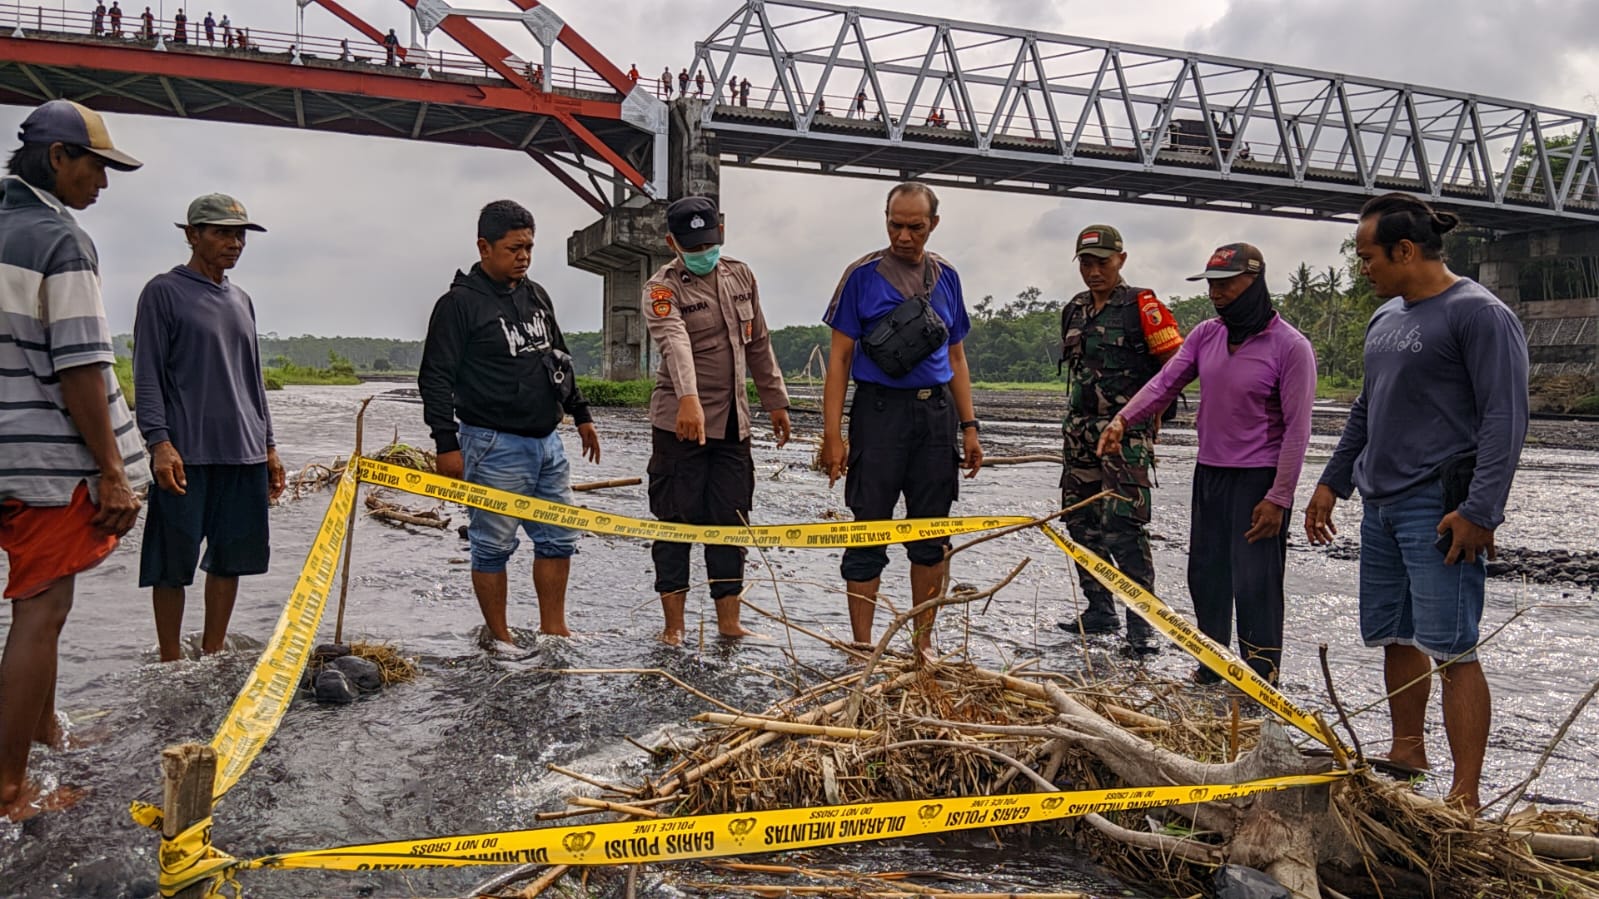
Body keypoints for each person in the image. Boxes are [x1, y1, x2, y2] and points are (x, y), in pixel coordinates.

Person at [1305, 193, 1528, 813]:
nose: (1363, 268)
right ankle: (1407, 753)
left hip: (1440, 509)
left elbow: (1505, 418)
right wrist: (1332, 481)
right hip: (1381, 504)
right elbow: (1365, 411)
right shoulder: (1387, 318)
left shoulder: (1479, 315)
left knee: (1454, 647)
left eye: (1368, 256)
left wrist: (1481, 510)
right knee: (1395, 635)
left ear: (1405, 250)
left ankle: (1464, 797)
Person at [0, 100, 148, 821]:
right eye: (96, 165)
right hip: (43, 462)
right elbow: (82, 366)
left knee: (40, 606)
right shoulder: (61, 239)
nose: (104, 182)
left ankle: (44, 728)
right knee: (44, 608)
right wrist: (113, 469)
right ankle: (8, 788)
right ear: (57, 158)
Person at [1100, 243, 1315, 684]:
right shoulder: (1205, 335)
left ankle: (1262, 678)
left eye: (1226, 285)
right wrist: (1123, 419)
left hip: (1259, 481)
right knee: (1206, 573)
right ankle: (1211, 666)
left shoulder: (1290, 347)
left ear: (1253, 283)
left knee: (1255, 582)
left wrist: (1279, 497)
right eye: (1212, 285)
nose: (1216, 294)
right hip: (1211, 472)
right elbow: (1165, 383)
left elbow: (1297, 430)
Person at [419, 200, 600, 646]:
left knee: (558, 539)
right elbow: (435, 377)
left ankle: (553, 629)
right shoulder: (458, 305)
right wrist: (446, 443)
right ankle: (500, 638)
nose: (523, 256)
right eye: (514, 248)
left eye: (530, 247)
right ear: (484, 246)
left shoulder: (535, 295)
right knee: (493, 545)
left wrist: (581, 414)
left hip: (546, 443)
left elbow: (559, 359)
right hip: (491, 443)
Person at [820, 182, 983, 659]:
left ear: (934, 224)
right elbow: (839, 360)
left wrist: (969, 427)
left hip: (936, 417)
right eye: (895, 224)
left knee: (931, 533)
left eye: (915, 226)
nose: (904, 235)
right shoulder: (861, 277)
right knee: (868, 528)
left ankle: (922, 645)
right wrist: (833, 437)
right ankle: (861, 644)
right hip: (878, 413)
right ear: (885, 219)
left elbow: (956, 354)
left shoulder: (947, 276)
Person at [133, 194, 282, 663]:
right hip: (186, 454)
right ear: (192, 234)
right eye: (221, 232)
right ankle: (170, 659)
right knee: (170, 565)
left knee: (229, 559)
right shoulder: (163, 291)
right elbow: (147, 374)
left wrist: (270, 446)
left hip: (243, 452)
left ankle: (213, 654)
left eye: (239, 235)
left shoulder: (241, 300)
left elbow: (252, 378)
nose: (233, 243)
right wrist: (159, 443)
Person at [642, 198, 790, 644]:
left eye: (710, 242)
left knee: (731, 521)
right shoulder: (662, 289)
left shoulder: (740, 276)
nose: (703, 250)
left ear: (721, 232)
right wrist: (689, 399)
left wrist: (776, 401)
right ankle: (675, 626)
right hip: (679, 425)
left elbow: (758, 341)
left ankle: (729, 622)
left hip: (732, 426)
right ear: (672, 243)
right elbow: (675, 343)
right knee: (675, 521)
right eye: (692, 245)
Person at [1056, 225, 1183, 653]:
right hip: (1080, 433)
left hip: (1125, 435)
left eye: (1102, 263)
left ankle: (1141, 623)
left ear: (1121, 261)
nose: (1094, 272)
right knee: (1079, 521)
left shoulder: (1142, 307)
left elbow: (1175, 369)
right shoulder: (1074, 310)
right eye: (1087, 264)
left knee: (1124, 527)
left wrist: (1148, 418)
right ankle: (1099, 610)